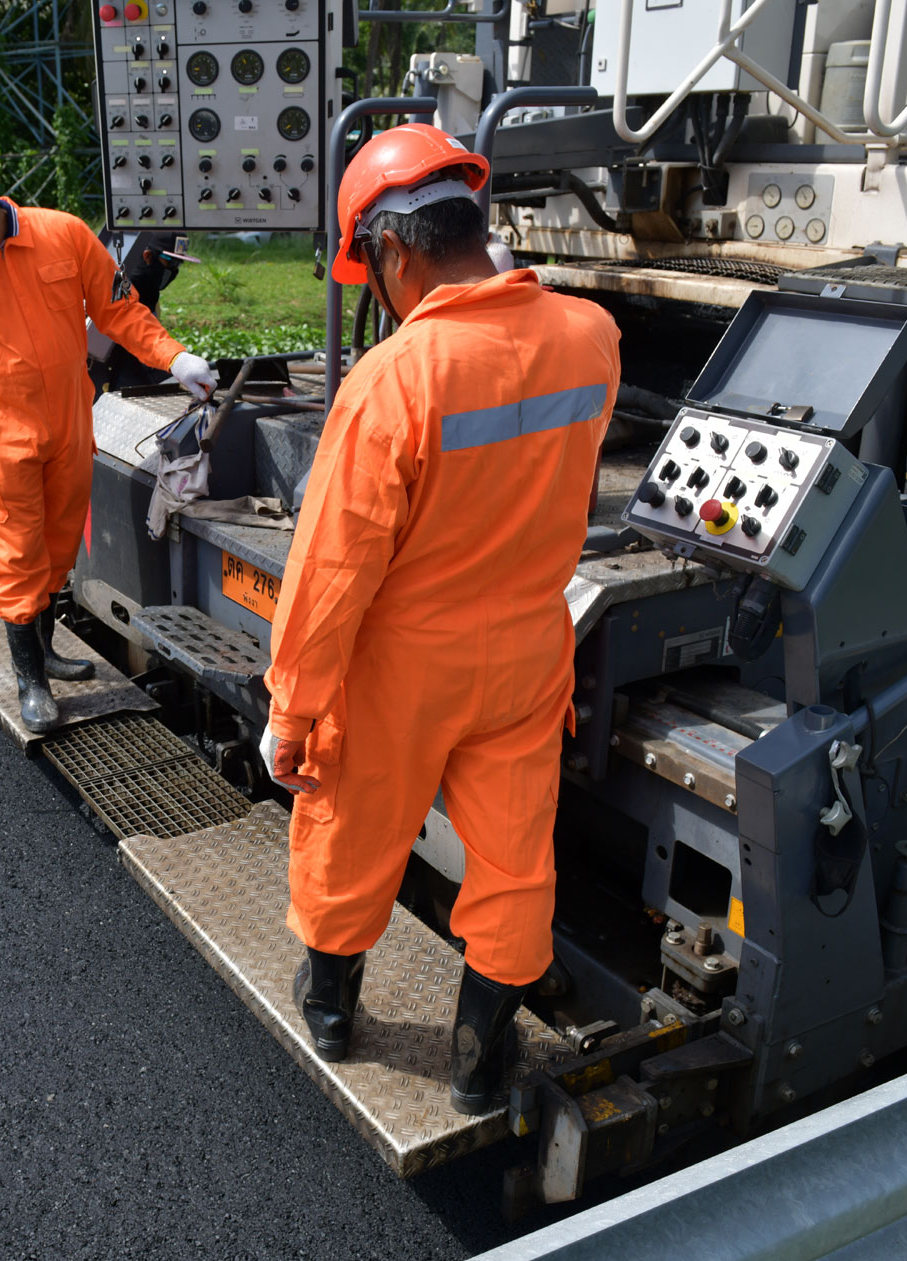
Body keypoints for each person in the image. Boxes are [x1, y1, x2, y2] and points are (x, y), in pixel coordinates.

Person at [256, 124, 620, 1115]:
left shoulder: (393, 381)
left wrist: (291, 710)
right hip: (530, 648)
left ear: (393, 253)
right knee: (513, 855)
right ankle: (477, 1062)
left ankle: (331, 1008)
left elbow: (332, 571)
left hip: (406, 660)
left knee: (353, 825)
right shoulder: (591, 338)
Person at [0, 142, 217, 733]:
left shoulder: (63, 235)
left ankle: (42, 649)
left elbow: (120, 311)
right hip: (3, 439)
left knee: (60, 547)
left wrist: (176, 359)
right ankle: (31, 683)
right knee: (17, 556)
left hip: (71, 426)